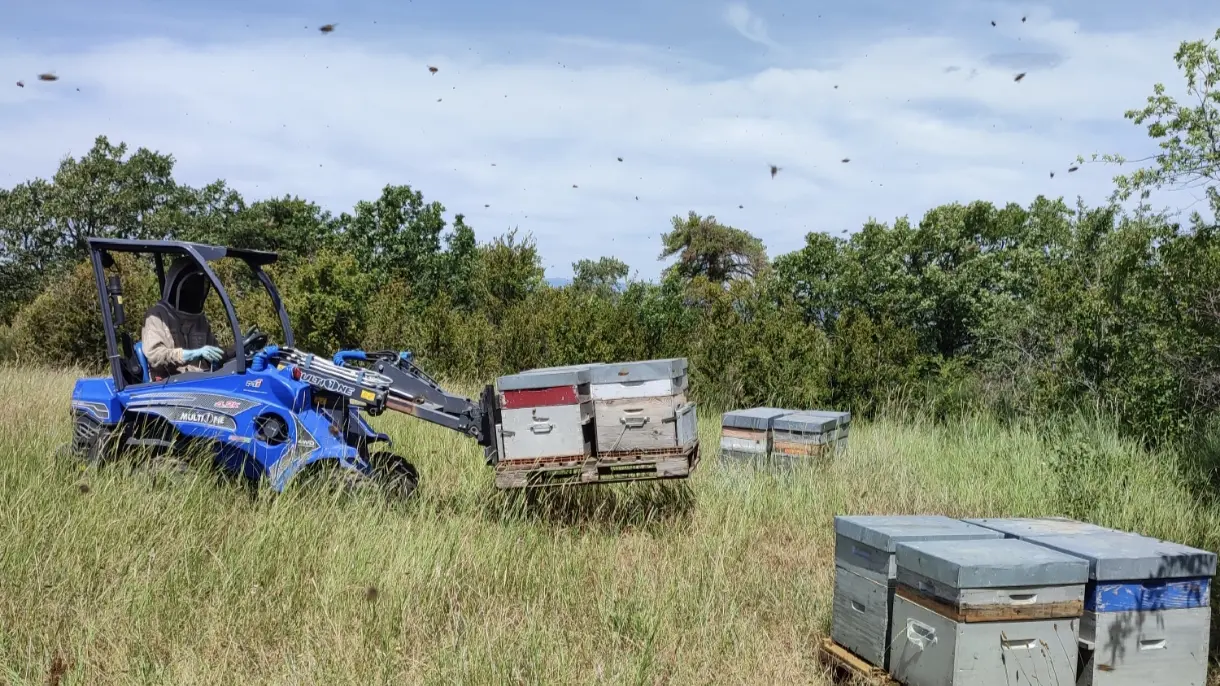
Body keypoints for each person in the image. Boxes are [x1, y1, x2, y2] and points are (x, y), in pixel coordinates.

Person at [141, 256, 229, 379]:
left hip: (203, 381)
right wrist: (193, 354)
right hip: (171, 386)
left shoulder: (200, 320)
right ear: (178, 286)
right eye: (191, 286)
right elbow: (155, 356)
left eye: (198, 286)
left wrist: (238, 349)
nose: (194, 291)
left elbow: (215, 353)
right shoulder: (157, 315)